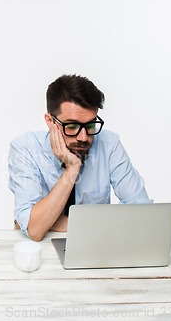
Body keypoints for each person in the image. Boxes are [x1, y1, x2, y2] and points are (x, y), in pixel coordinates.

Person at [8, 74, 151, 241]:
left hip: (96, 245)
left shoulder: (109, 145)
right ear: (50, 121)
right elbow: (35, 229)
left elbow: (142, 213)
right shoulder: (25, 149)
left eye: (90, 125)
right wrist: (72, 168)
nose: (83, 137)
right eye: (72, 126)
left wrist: (45, 220)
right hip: (42, 250)